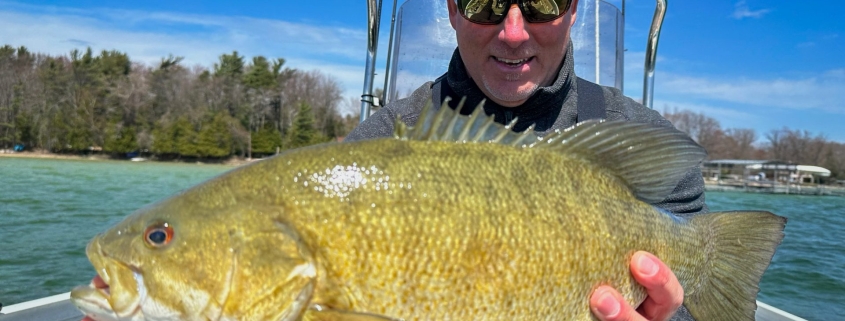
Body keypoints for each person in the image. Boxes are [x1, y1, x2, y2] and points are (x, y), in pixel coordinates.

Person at [344, 0, 707, 320]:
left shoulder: (640, 142)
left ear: (574, 9)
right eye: (484, 4)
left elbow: (701, 306)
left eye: (543, 2)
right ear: (453, 9)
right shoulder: (374, 147)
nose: (513, 34)